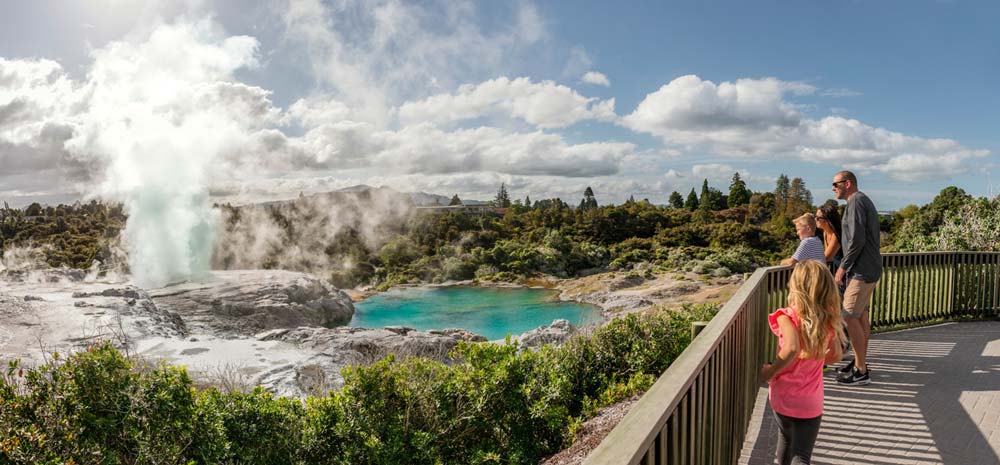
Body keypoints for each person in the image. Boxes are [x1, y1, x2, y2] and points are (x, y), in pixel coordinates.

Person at [761, 260, 846, 465]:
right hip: (810, 401)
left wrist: (770, 371)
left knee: (785, 440)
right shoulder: (826, 320)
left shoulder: (787, 317)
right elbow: (835, 355)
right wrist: (816, 359)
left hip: (783, 396)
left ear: (796, 286)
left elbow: (791, 348)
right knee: (801, 455)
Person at [831, 170, 882, 386]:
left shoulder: (856, 202)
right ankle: (860, 363)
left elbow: (857, 240)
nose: (833, 188)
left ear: (848, 183)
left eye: (836, 184)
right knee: (860, 317)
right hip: (867, 268)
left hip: (861, 270)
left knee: (849, 316)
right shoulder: (861, 201)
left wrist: (842, 268)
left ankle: (861, 371)